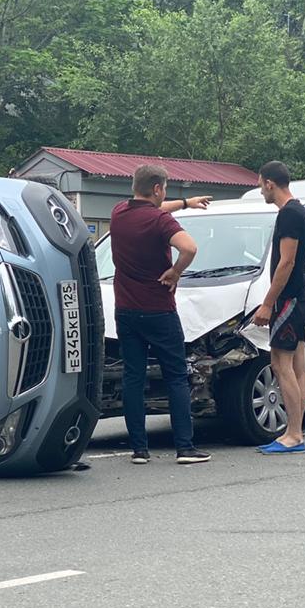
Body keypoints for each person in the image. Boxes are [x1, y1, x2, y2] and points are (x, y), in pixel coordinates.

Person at [110, 164, 214, 465]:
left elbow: (151, 208)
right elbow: (189, 247)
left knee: (133, 377)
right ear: (157, 188)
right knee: (176, 376)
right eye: (164, 189)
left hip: (126, 311)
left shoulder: (118, 213)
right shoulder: (160, 221)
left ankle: (139, 450)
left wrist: (185, 203)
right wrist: (175, 271)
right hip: (158, 310)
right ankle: (184, 447)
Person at [251, 160, 305, 455]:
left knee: (280, 363)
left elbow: (286, 262)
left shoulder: (289, 214)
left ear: (269, 183)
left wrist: (267, 303)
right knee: (297, 365)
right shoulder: (298, 210)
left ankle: (294, 435)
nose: (260, 189)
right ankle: (296, 431)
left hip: (289, 299)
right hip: (300, 296)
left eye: (260, 183)